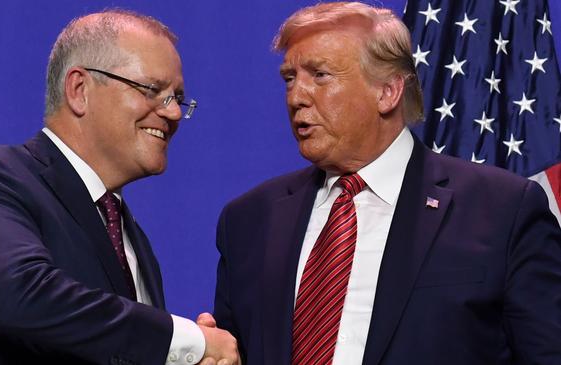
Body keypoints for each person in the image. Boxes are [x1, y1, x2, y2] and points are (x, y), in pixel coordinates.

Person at [211, 2, 561, 364]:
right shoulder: (249, 220)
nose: (296, 97)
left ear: (388, 92)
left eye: (320, 75)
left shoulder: (502, 210)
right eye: (289, 78)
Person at [0, 9, 239, 365]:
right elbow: (17, 296)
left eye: (177, 98)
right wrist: (186, 340)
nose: (174, 113)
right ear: (79, 89)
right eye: (153, 90)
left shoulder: (132, 238)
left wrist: (188, 356)